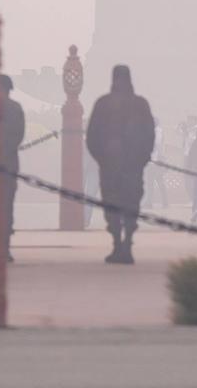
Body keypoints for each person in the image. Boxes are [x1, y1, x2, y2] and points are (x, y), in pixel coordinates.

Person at [85, 65, 156, 264]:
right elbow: (149, 135)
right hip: (132, 165)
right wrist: (141, 159)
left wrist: (103, 159)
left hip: (111, 165)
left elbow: (92, 137)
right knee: (131, 203)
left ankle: (118, 243)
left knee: (113, 204)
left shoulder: (103, 104)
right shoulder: (140, 105)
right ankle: (126, 244)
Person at [0, 74, 25, 261]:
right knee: (7, 206)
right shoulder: (16, 109)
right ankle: (4, 247)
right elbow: (19, 135)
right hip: (8, 163)